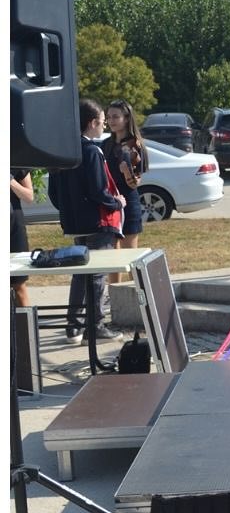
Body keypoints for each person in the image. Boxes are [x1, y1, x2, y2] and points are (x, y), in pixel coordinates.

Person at [48, 98, 126, 344]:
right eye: (102, 121)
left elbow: (54, 194)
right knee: (96, 275)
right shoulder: (92, 151)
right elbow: (97, 190)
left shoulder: (63, 152)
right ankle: (95, 325)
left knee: (80, 274)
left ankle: (74, 326)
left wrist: (70, 209)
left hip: (75, 222)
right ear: (92, 123)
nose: (104, 126)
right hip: (97, 222)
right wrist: (116, 202)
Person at [104, 98, 147, 285]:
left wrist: (127, 171)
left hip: (129, 202)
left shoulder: (135, 145)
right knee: (113, 255)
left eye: (116, 117)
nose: (111, 121)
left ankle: (139, 294)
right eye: (108, 117)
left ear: (127, 118)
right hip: (110, 202)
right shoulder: (106, 144)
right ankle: (114, 294)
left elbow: (135, 183)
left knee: (131, 256)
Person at [10, 169, 34, 308]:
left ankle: (25, 321)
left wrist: (10, 181)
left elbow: (29, 197)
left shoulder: (17, 161)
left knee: (19, 284)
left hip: (14, 225)